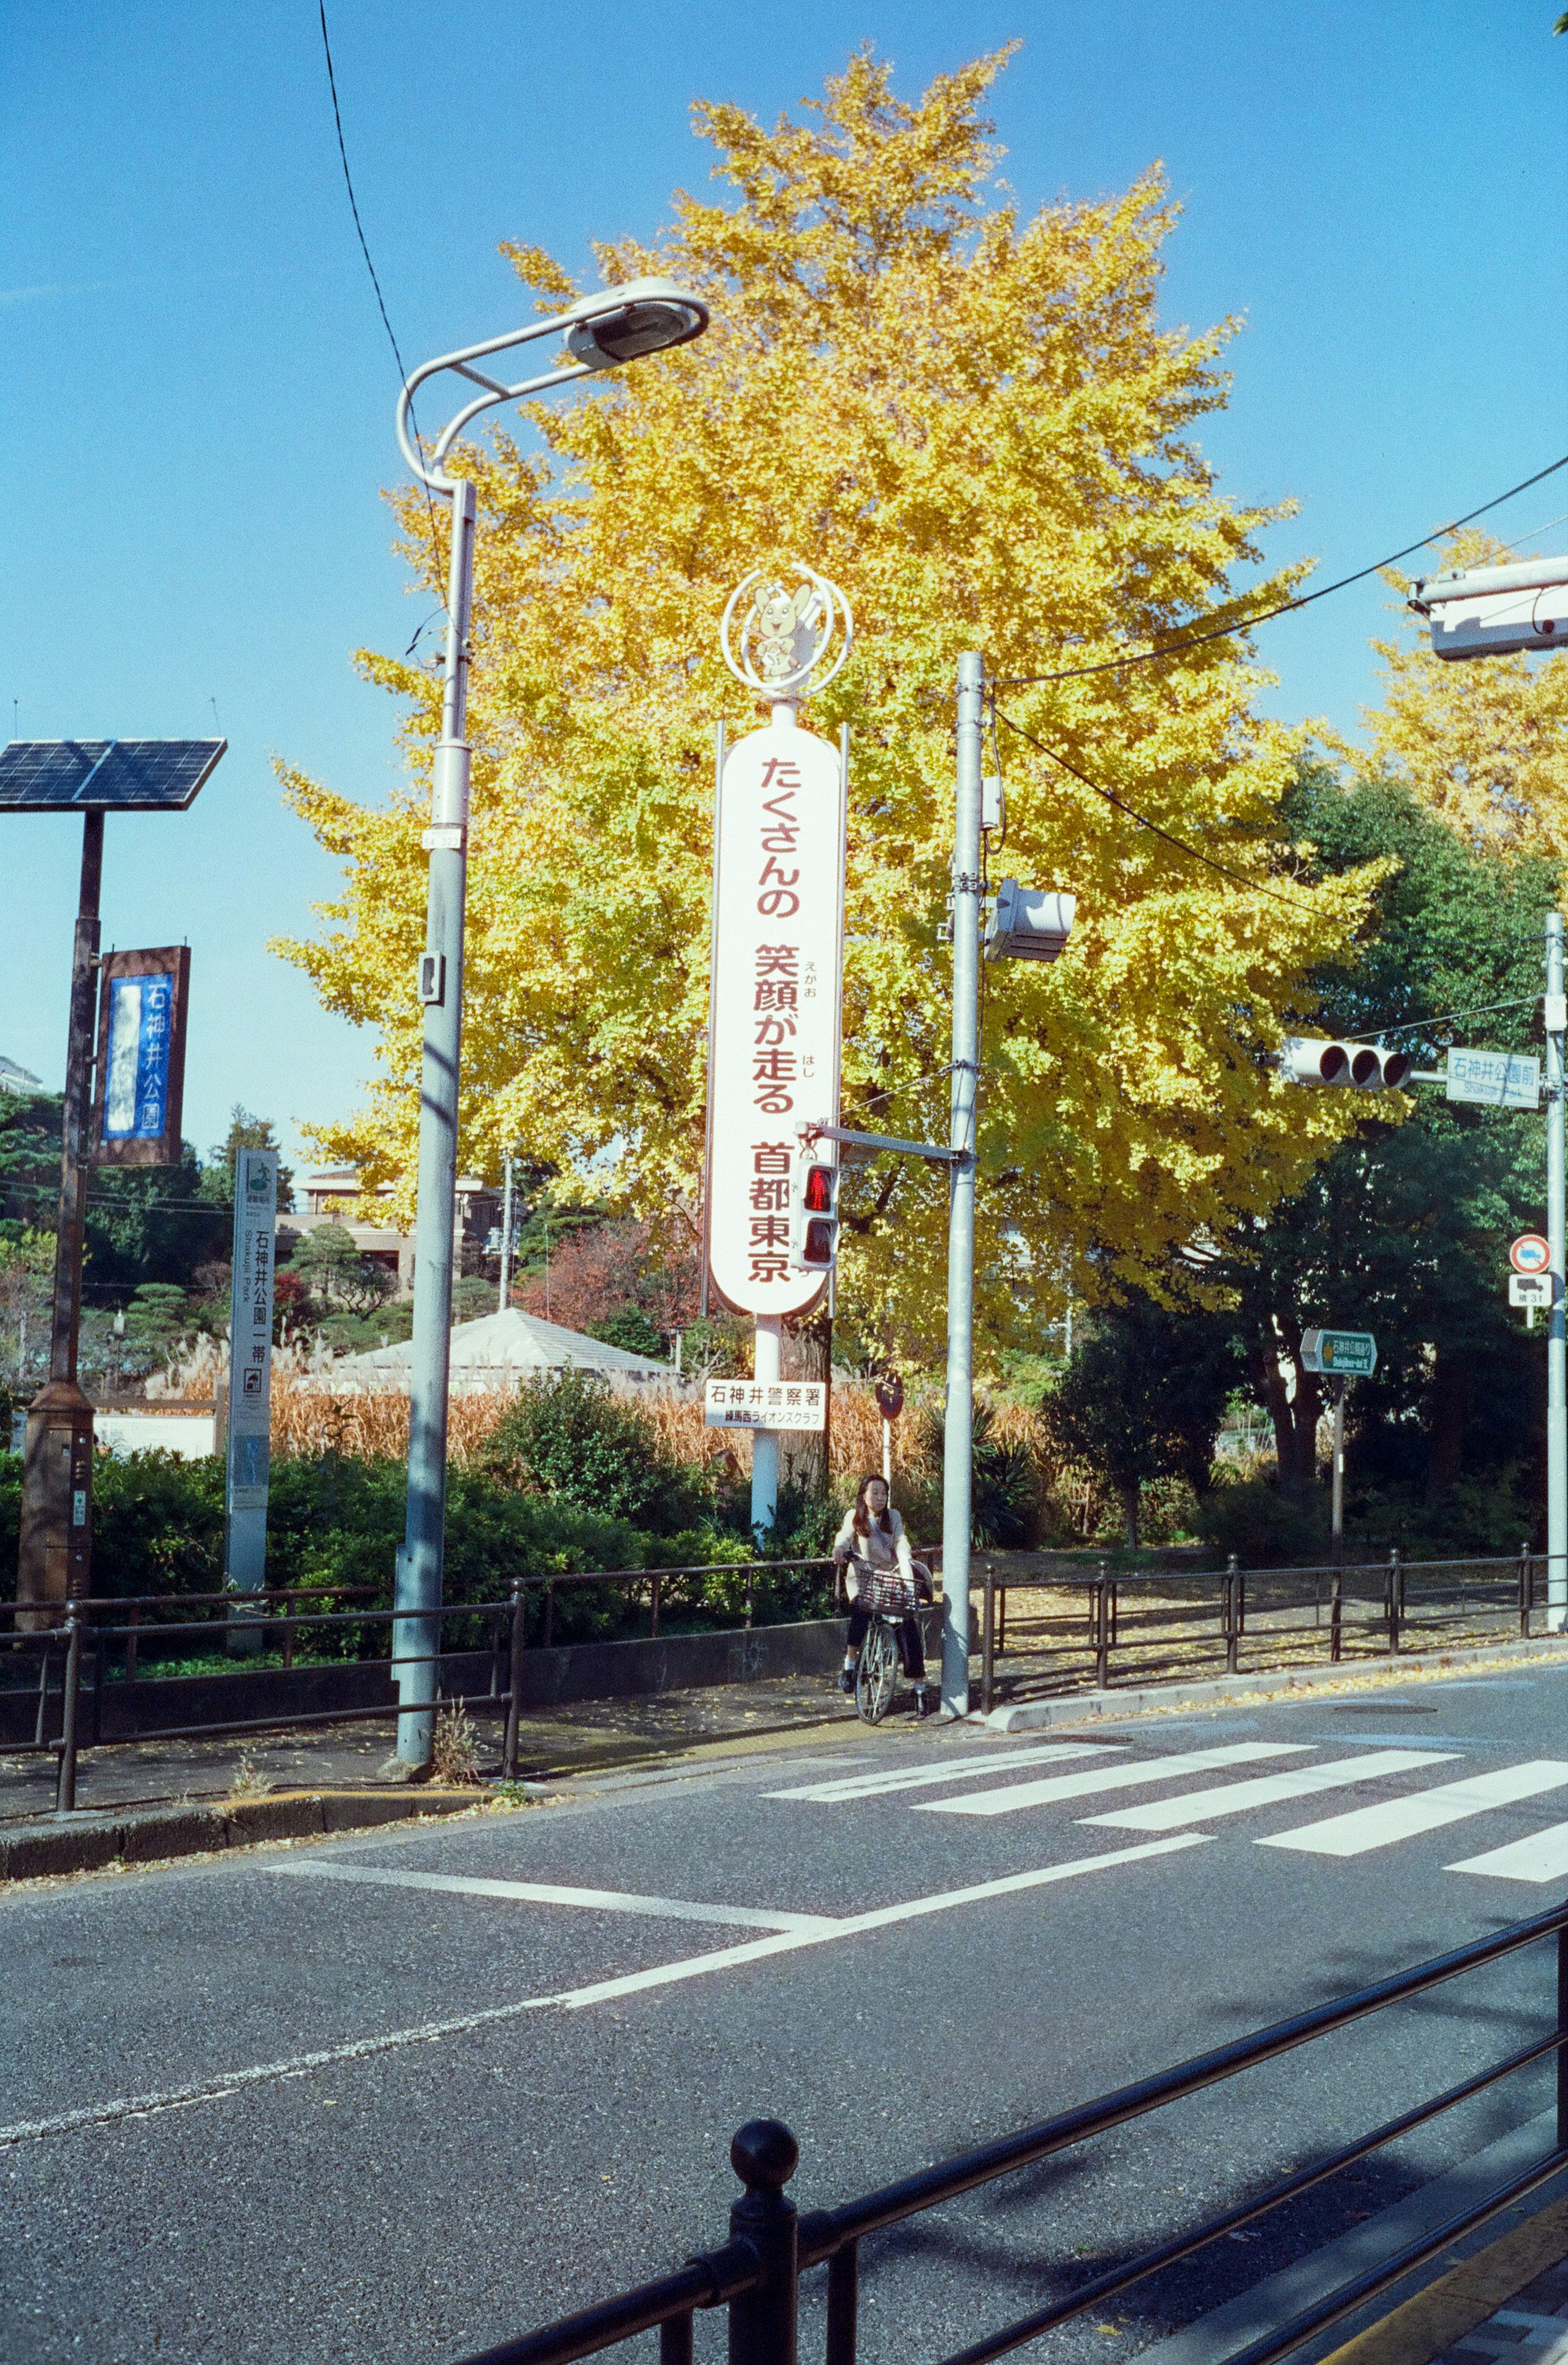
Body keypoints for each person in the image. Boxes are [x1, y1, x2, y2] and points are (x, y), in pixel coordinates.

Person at [833, 1473, 935, 1716]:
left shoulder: (894, 1517)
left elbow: (901, 1540)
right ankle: (850, 1667)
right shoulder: (854, 1517)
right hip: (864, 1578)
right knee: (860, 1612)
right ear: (864, 1495)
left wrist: (905, 1559)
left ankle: (919, 1688)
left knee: (908, 1625)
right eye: (875, 1492)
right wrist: (839, 1548)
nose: (880, 1498)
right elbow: (846, 1536)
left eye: (884, 1493)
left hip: (890, 1580)